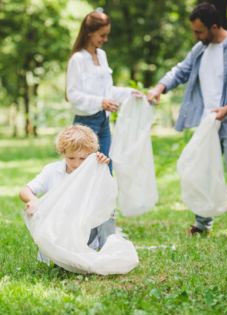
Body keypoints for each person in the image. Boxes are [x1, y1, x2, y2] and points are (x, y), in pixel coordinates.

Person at [147, 3, 227, 240]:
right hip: (208, 123)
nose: (196, 36)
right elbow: (180, 71)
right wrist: (160, 87)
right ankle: (202, 224)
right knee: (204, 171)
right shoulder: (200, 49)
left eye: (199, 31)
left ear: (215, 27)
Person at [66, 10, 139, 247]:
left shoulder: (103, 56)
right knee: (84, 176)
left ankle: (106, 232)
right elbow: (73, 95)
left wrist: (130, 93)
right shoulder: (77, 59)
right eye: (101, 35)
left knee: (105, 174)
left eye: (106, 35)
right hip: (86, 124)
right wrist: (100, 102)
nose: (104, 39)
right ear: (89, 33)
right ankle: (82, 230)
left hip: (104, 123)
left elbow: (108, 90)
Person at [19, 125, 111, 263]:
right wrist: (34, 201)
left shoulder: (94, 171)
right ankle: (56, 255)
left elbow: (105, 199)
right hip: (58, 230)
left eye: (82, 159)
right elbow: (24, 191)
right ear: (63, 153)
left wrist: (100, 167)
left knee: (110, 212)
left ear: (92, 155)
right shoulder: (52, 171)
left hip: (83, 231)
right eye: (71, 158)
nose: (76, 164)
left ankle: (105, 252)